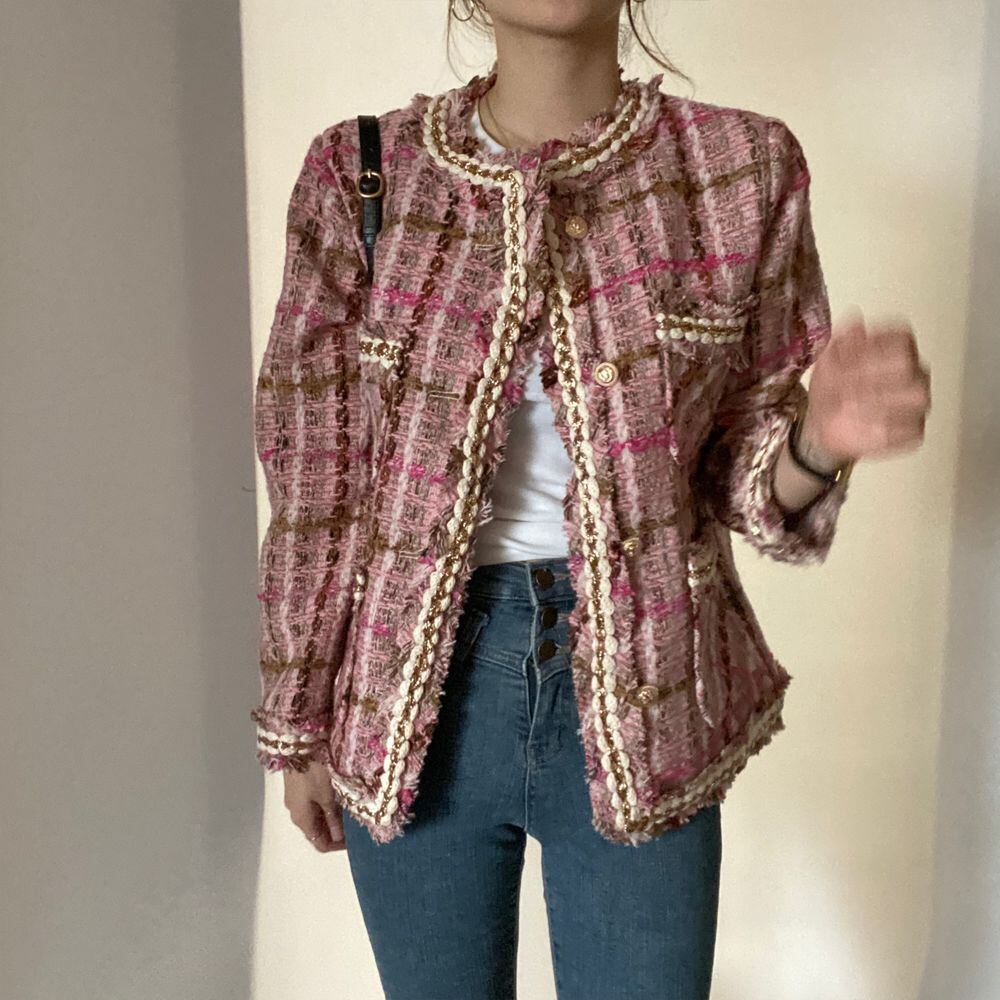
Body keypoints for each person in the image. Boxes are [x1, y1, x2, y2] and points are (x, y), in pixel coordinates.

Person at [250, 2, 932, 996]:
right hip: (402, 698)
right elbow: (314, 475)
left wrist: (819, 440)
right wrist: (297, 719)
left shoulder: (738, 171)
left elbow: (739, 471)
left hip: (651, 693)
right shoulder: (362, 174)